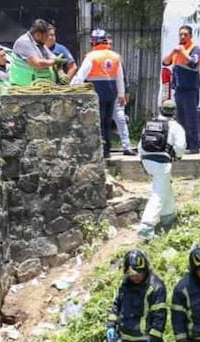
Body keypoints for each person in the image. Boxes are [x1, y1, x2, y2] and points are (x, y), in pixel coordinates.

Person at [71, 29, 126, 159]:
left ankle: (99, 151)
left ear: (93, 42)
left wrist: (72, 88)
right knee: (107, 122)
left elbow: (80, 76)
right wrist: (121, 94)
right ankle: (107, 151)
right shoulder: (115, 56)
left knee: (98, 122)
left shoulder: (91, 57)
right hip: (111, 94)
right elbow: (120, 77)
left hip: (96, 94)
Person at [136, 99, 186, 239]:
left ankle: (168, 219)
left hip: (146, 160)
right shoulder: (175, 126)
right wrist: (176, 156)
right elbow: (180, 147)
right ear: (174, 112)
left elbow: (141, 145)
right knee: (158, 194)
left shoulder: (150, 124)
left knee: (165, 188)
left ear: (160, 109)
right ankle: (146, 228)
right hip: (161, 163)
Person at [162, 24, 200, 154]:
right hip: (179, 89)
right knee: (181, 119)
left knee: (191, 119)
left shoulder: (195, 48)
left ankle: (194, 146)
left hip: (190, 88)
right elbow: (165, 62)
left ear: (190, 36)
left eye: (185, 34)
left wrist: (182, 51)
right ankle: (183, 145)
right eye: (181, 34)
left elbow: (193, 63)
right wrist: (174, 51)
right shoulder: (177, 50)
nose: (182, 36)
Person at [106, 37, 135, 156]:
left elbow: (123, 76)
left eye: (110, 44)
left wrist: (125, 92)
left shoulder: (115, 58)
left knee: (121, 120)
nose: (109, 46)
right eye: (107, 43)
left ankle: (126, 146)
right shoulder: (95, 57)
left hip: (117, 94)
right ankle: (105, 147)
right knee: (104, 122)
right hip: (103, 95)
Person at [11, 19, 57, 86]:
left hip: (38, 87)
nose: (47, 39)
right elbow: (37, 63)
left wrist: (57, 63)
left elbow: (52, 56)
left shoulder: (39, 43)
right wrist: (54, 62)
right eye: (46, 36)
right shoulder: (24, 42)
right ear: (38, 35)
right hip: (23, 87)